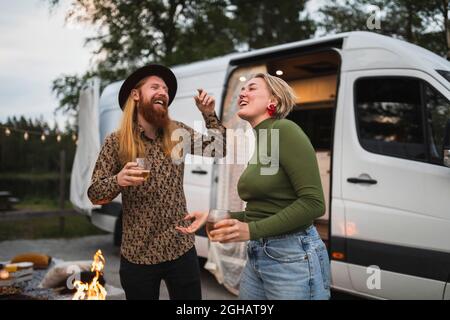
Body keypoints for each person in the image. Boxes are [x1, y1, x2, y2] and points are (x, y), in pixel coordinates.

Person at [177, 73, 330, 300]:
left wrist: (250, 230)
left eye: (252, 88)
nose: (243, 93)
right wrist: (220, 215)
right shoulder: (264, 139)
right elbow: (263, 209)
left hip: (292, 256)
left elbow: (314, 203)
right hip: (258, 254)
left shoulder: (285, 130)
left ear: (274, 101)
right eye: (243, 89)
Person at [87, 64, 226, 300]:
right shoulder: (117, 141)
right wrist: (118, 180)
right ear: (136, 95)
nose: (163, 91)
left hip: (180, 247)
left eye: (165, 89)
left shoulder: (177, 133)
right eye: (155, 87)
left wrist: (208, 114)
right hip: (138, 255)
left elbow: (219, 148)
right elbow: (94, 193)